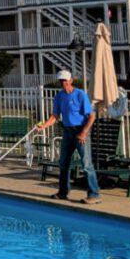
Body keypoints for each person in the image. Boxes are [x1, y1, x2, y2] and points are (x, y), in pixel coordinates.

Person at [36, 70, 101, 204]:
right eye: (61, 81)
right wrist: (43, 126)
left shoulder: (80, 94)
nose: (63, 83)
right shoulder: (59, 97)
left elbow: (91, 116)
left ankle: (94, 194)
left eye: (65, 80)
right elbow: (55, 116)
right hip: (67, 131)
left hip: (80, 130)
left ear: (71, 80)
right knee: (63, 163)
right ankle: (63, 192)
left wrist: (83, 133)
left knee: (86, 164)